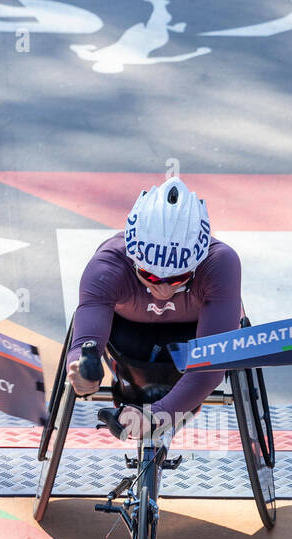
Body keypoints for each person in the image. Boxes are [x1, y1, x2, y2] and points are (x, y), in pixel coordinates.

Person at [64, 176, 242, 439]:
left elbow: (211, 368)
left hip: (192, 336)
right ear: (133, 259)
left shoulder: (221, 263)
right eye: (151, 277)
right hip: (129, 339)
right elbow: (84, 344)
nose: (164, 291)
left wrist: (156, 416)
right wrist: (81, 370)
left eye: (179, 279)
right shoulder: (106, 267)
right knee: (124, 348)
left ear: (199, 259)